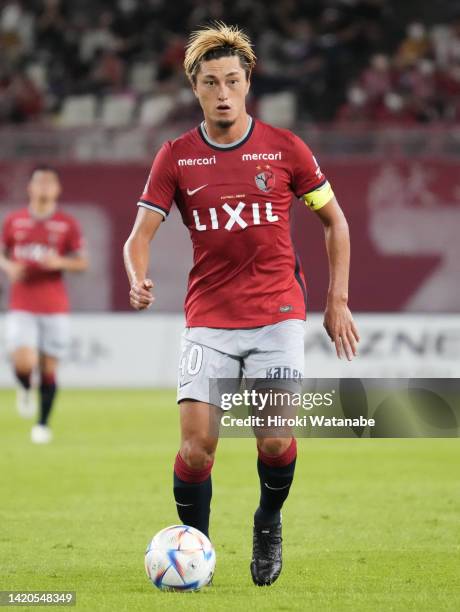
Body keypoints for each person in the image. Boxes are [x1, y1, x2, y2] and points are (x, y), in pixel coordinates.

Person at [124, 22, 359, 586]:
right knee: (197, 448)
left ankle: (268, 521)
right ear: (195, 88)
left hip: (278, 314)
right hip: (208, 320)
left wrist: (337, 299)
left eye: (233, 80)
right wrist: (138, 276)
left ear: (248, 81)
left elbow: (334, 222)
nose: (223, 92)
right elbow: (140, 235)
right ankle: (196, 549)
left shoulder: (285, 148)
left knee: (274, 437)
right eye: (211, 83)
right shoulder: (176, 157)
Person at [0, 165, 88, 444]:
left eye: (50, 183)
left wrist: (60, 262)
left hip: (54, 306)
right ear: (30, 188)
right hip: (22, 304)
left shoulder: (67, 224)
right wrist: (9, 267)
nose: (45, 188)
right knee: (24, 364)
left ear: (57, 190)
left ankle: (42, 424)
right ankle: (25, 386)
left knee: (49, 368)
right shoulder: (14, 221)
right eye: (40, 182)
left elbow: (82, 262)